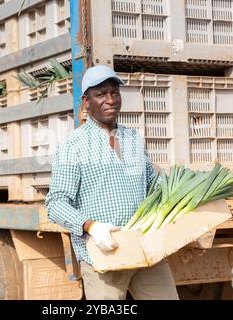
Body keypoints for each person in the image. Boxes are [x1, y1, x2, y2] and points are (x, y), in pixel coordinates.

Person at [45, 65, 179, 300]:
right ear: (86, 102)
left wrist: (178, 197)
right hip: (104, 254)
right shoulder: (73, 146)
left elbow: (153, 184)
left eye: (114, 92)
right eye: (101, 94)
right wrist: (91, 226)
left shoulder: (132, 138)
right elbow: (55, 203)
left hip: (144, 247)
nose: (110, 100)